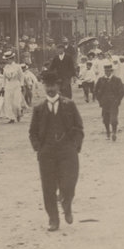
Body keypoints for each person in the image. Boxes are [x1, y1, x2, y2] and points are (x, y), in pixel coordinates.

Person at [29, 71, 84, 231]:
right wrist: (39, 148)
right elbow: (32, 132)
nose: (50, 89)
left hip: (67, 152)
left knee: (68, 184)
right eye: (47, 86)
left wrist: (74, 146)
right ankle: (53, 219)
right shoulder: (39, 108)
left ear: (58, 86)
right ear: (44, 87)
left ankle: (67, 205)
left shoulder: (69, 104)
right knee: (48, 187)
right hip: (47, 153)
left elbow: (79, 128)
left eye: (53, 85)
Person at [94, 62, 124, 141]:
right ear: (104, 71)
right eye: (106, 71)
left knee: (114, 119)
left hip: (114, 103)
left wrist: (118, 100)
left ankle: (114, 133)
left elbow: (122, 91)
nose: (107, 72)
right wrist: (100, 100)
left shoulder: (117, 80)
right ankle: (108, 132)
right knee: (105, 119)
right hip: (104, 103)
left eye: (109, 71)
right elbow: (95, 91)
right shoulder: (101, 80)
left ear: (111, 71)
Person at [1, 52, 26, 124]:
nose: (7, 61)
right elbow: (4, 78)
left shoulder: (18, 66)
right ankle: (11, 118)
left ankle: (18, 112)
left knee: (16, 102)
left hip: (16, 84)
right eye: (6, 59)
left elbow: (21, 76)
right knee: (8, 102)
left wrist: (22, 84)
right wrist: (3, 86)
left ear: (12, 59)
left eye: (9, 59)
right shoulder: (5, 67)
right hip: (8, 86)